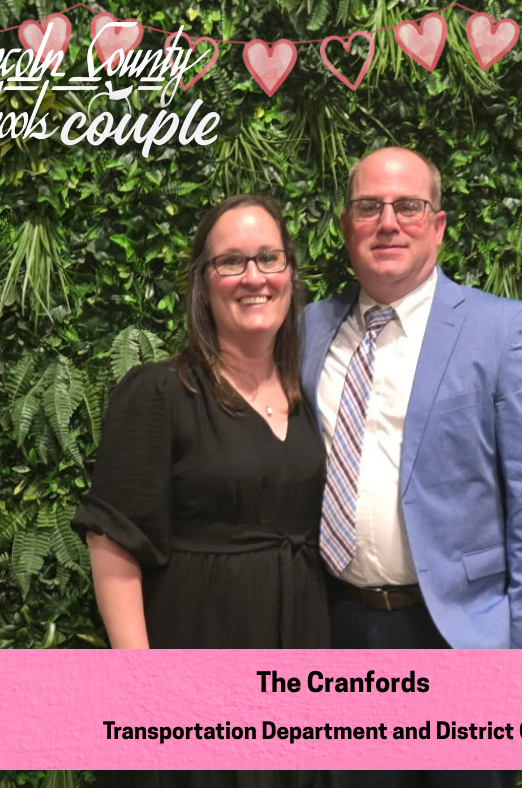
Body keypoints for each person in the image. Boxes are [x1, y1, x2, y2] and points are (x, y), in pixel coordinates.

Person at [301, 147, 522, 788]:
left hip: (461, 639)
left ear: (439, 224)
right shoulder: (308, 329)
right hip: (337, 631)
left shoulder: (503, 330)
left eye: (408, 207)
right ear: (346, 226)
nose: (387, 222)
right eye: (369, 207)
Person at [72, 194, 331, 651]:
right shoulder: (160, 392)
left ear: (289, 272)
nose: (255, 277)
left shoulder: (308, 394)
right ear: (204, 285)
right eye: (231, 261)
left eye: (269, 258)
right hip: (199, 641)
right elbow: (112, 539)